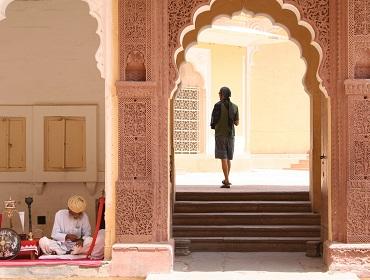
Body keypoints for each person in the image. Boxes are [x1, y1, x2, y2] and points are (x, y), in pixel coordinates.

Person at [39, 195, 104, 259]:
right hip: (61, 245)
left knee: (96, 239)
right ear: (69, 209)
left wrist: (81, 240)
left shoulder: (84, 216)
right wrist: (66, 236)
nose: (77, 215)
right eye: (74, 213)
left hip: (77, 246)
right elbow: (54, 234)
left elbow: (87, 234)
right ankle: (65, 252)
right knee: (43, 241)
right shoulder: (60, 214)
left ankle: (67, 252)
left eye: (79, 213)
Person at [210, 87, 239, 188]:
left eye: (220, 93)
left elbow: (213, 120)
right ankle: (227, 178)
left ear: (223, 94)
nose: (219, 94)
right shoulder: (235, 107)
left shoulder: (218, 105)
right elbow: (237, 123)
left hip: (220, 135)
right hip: (231, 136)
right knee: (228, 159)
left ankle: (226, 180)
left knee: (223, 158)